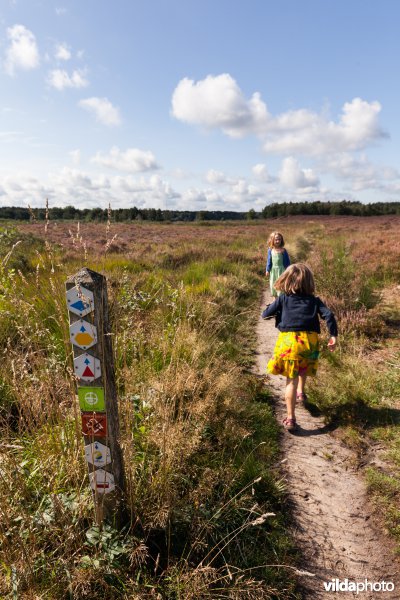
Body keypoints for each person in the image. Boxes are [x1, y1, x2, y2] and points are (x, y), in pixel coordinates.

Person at [262, 263, 338, 431]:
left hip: (290, 342)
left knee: (291, 380)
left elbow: (265, 315)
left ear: (286, 280)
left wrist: (273, 308)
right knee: (302, 368)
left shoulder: (283, 298)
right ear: (309, 282)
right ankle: (301, 393)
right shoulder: (315, 300)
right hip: (309, 342)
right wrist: (333, 335)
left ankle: (290, 418)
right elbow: (329, 315)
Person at [265, 231, 290, 297]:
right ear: (272, 240)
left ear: (281, 240)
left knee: (281, 285)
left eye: (279, 239)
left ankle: (281, 300)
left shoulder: (283, 250)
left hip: (282, 270)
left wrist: (289, 270)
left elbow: (287, 262)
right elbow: (269, 261)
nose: (278, 241)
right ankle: (275, 301)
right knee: (274, 284)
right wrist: (267, 270)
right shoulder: (270, 250)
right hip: (273, 271)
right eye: (276, 239)